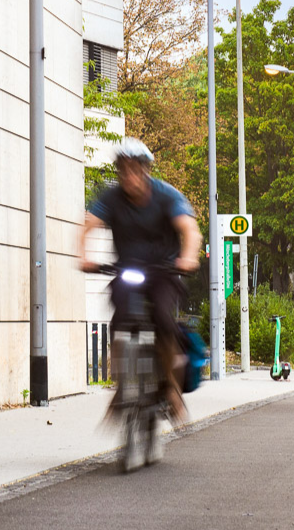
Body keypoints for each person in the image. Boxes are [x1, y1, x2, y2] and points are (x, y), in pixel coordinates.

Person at [78, 138, 200, 425]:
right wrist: (83, 257)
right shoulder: (111, 198)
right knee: (118, 320)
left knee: (163, 318)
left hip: (164, 272)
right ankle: (121, 387)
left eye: (134, 169)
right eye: (123, 170)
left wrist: (188, 258)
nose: (128, 176)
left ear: (146, 170)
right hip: (127, 270)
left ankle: (171, 389)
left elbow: (189, 229)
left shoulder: (166, 195)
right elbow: (87, 226)